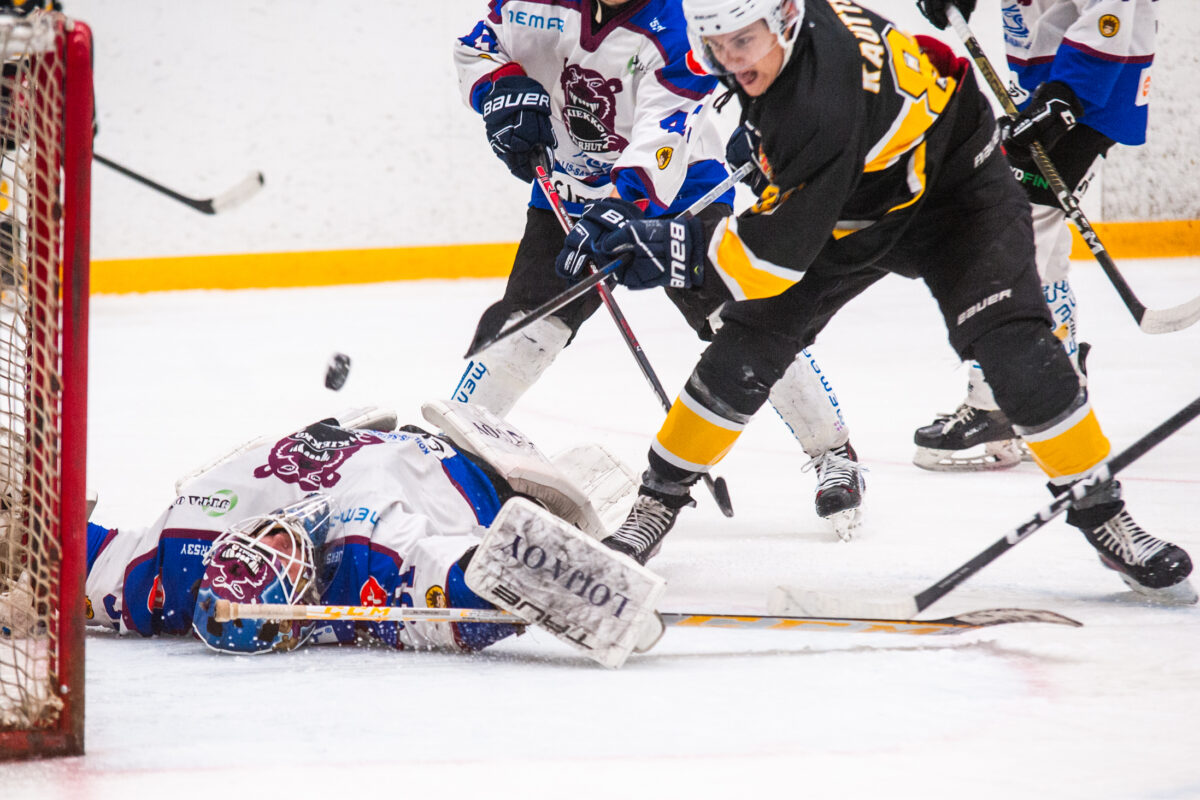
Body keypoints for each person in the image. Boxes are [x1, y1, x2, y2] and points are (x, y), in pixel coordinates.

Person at [552, 0, 1195, 603]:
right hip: (857, 201)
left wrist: (670, 248)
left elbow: (767, 261)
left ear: (783, 21)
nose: (732, 61)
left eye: (743, 43)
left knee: (1016, 350)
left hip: (957, 201)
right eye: (716, 47)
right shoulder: (791, 44)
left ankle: (1106, 517)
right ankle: (656, 504)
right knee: (744, 348)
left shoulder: (820, 101)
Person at [451, 0, 867, 538]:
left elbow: (663, 133)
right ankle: (449, 453)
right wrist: (500, 89)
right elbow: (478, 47)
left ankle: (833, 451)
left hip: (680, 199)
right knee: (525, 331)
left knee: (746, 327)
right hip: (568, 192)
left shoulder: (682, 25)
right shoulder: (534, 3)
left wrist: (624, 204)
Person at [71, 405, 642, 654]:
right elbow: (464, 587)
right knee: (516, 512)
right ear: (299, 607)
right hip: (465, 472)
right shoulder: (369, 578)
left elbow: (88, 558)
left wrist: (31, 533)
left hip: (336, 445)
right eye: (285, 563)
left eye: (260, 540)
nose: (277, 538)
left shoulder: (174, 567)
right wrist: (574, 590)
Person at [911, 0, 1157, 470]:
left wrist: (1069, 91)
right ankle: (1059, 382)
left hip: (1093, 85)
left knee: (1011, 232)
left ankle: (999, 402)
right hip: (1050, 80)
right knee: (1034, 234)